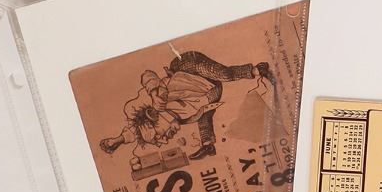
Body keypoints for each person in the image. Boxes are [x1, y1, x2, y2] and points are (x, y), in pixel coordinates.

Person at [99, 51, 276, 161]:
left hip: (189, 67)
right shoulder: (184, 118)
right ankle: (208, 145)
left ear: (154, 118)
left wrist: (153, 91)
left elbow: (147, 75)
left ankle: (256, 70)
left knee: (224, 74)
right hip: (211, 90)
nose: (165, 140)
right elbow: (205, 114)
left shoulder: (161, 101)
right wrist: (119, 142)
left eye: (160, 135)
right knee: (205, 117)